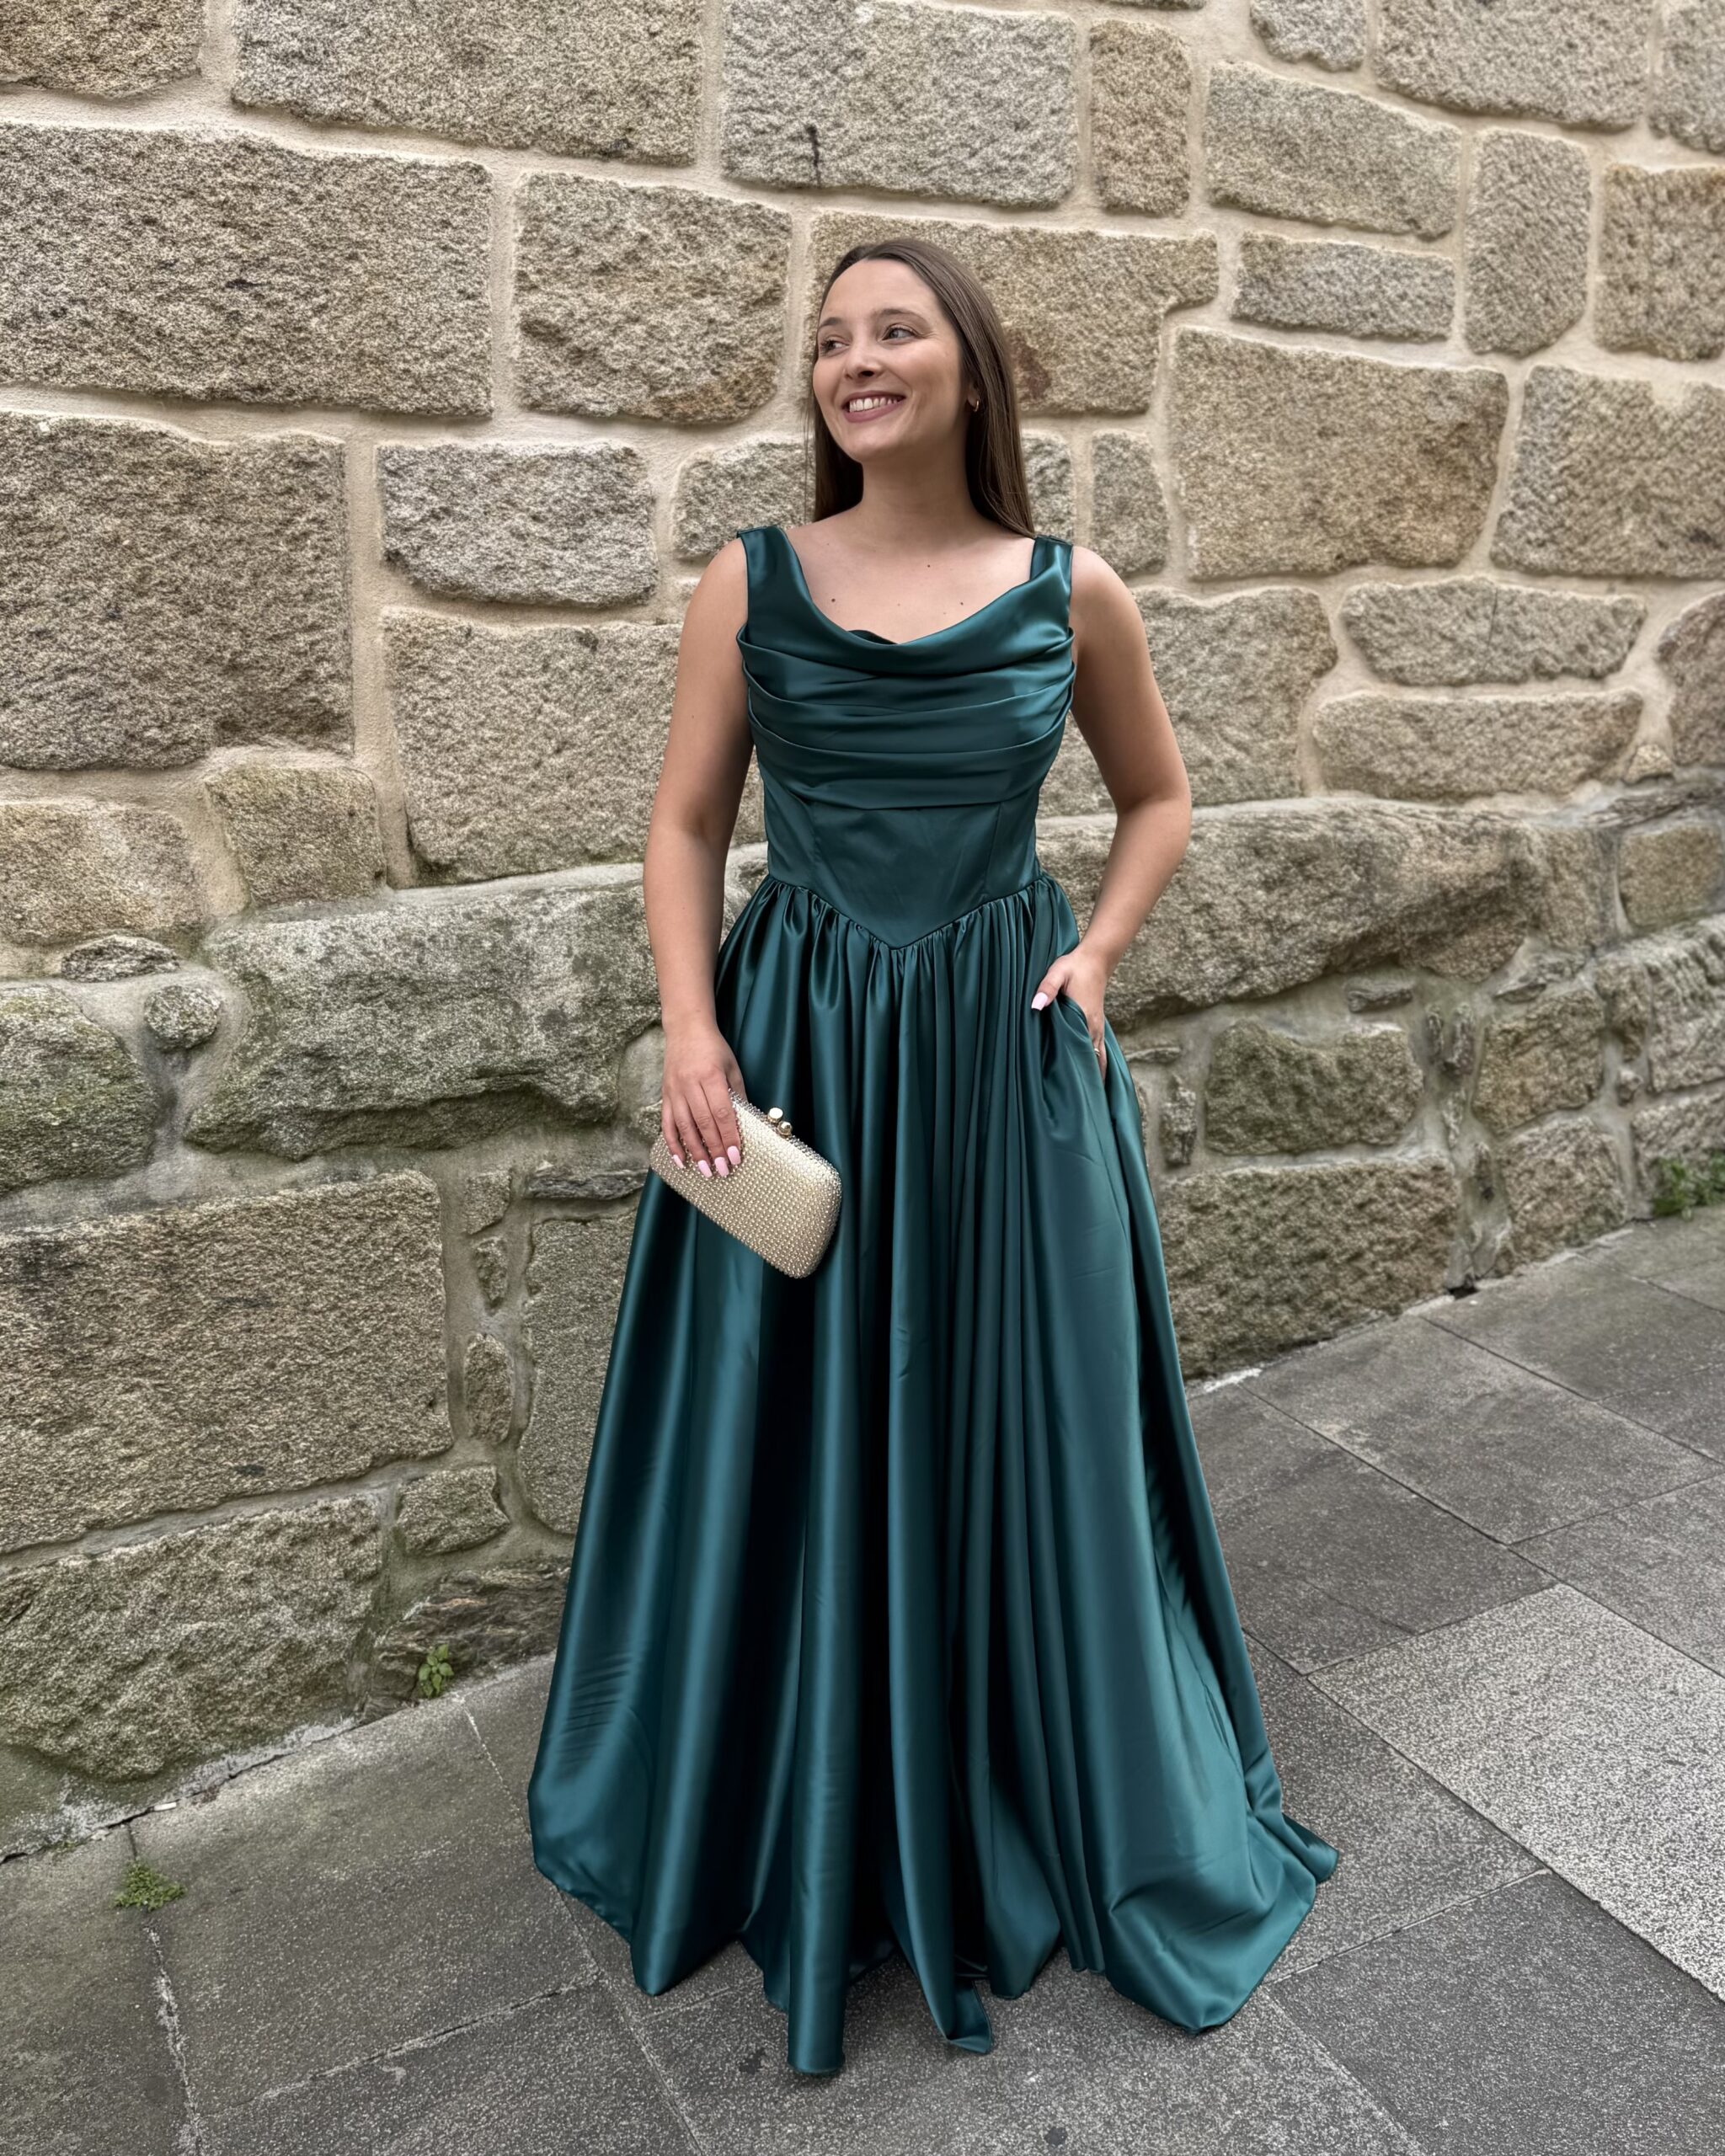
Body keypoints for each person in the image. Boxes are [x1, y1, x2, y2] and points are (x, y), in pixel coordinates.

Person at [528, 235, 1339, 2078]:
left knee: (1032, 1416)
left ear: (970, 365)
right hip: (798, 1050)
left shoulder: (1072, 591)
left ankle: (1026, 1789)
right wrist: (691, 1030)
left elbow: (1159, 798)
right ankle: (782, 1795)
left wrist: (1099, 952)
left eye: (895, 330)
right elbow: (683, 822)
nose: (856, 360)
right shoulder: (749, 582)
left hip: (1002, 1055)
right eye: (831, 339)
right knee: (783, 1414)